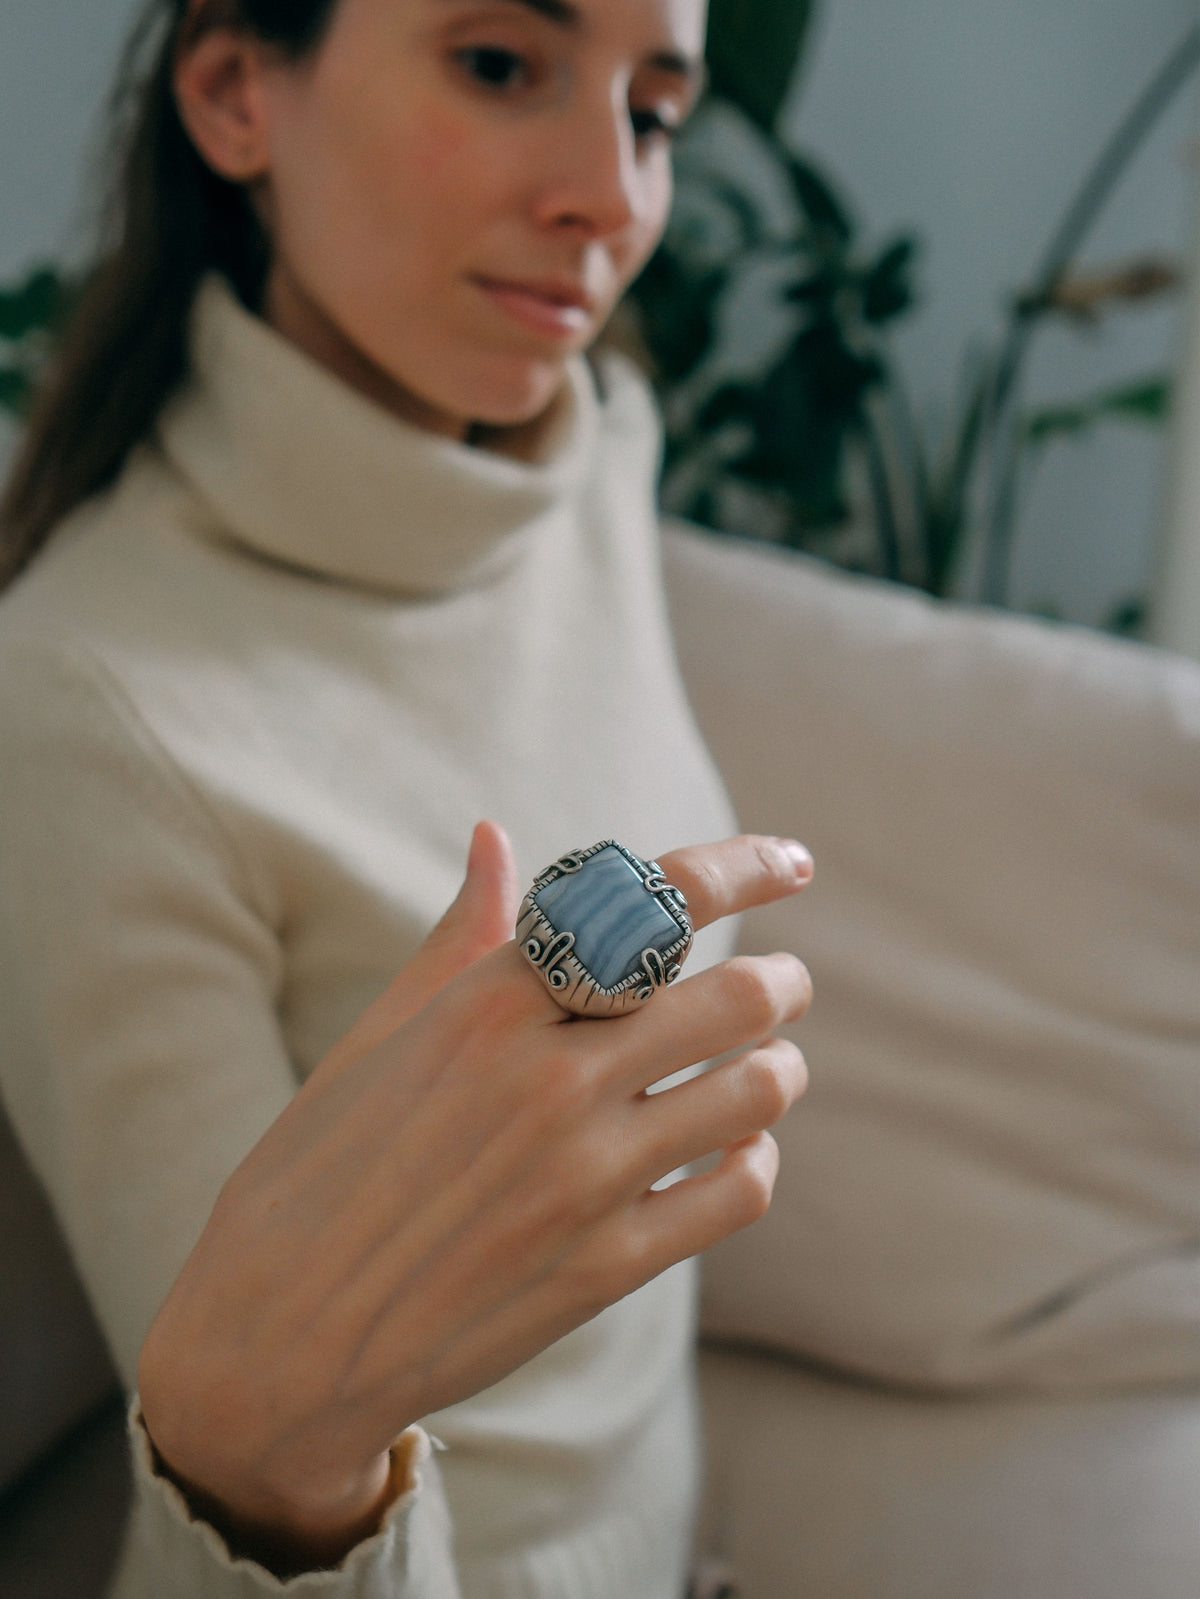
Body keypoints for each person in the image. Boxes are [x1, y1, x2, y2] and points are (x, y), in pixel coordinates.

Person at [0, 1, 813, 1595]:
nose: (614, 195)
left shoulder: (594, 449)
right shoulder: (80, 706)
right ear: (236, 93)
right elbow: (246, 1451)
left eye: (652, 112)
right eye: (503, 64)